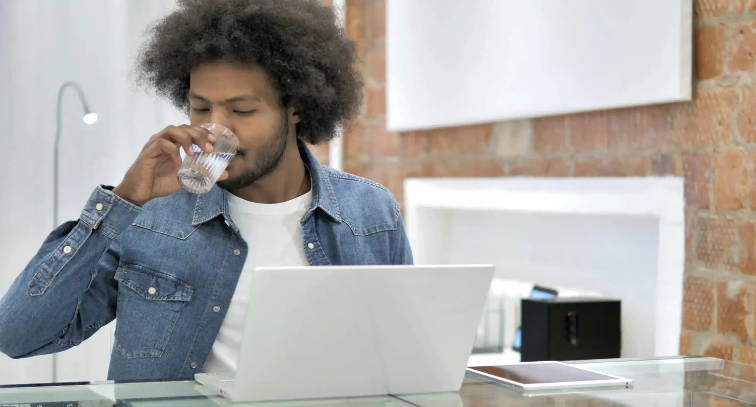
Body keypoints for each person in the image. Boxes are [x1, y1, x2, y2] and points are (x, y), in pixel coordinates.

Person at [0, 0, 412, 382]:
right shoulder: (150, 215)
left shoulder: (370, 211)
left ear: (296, 108)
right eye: (200, 107)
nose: (214, 131)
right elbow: (20, 336)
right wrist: (120, 204)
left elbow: (404, 352)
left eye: (242, 110)